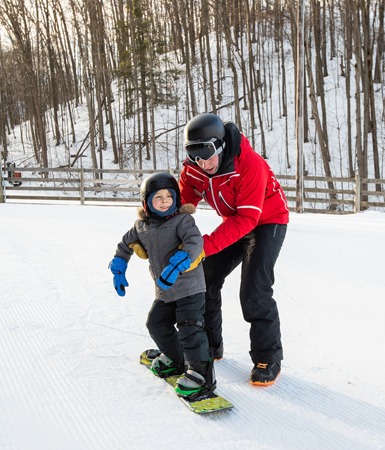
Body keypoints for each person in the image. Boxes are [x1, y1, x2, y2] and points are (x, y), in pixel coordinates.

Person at [179, 113, 289, 386]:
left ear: (221, 146)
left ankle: (268, 358)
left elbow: (247, 219)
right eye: (197, 158)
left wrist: (203, 246)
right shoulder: (195, 168)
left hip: (267, 221)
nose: (205, 164)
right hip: (235, 221)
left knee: (254, 288)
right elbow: (182, 199)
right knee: (204, 279)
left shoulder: (250, 165)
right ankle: (210, 347)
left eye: (209, 156)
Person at [109, 172, 216, 400]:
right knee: (156, 324)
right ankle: (175, 358)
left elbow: (195, 242)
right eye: (158, 197)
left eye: (170, 196)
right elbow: (124, 246)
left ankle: (201, 376)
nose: (165, 200)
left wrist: (179, 262)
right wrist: (119, 268)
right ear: (147, 203)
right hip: (165, 290)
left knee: (189, 329)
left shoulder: (183, 221)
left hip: (190, 288)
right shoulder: (141, 227)